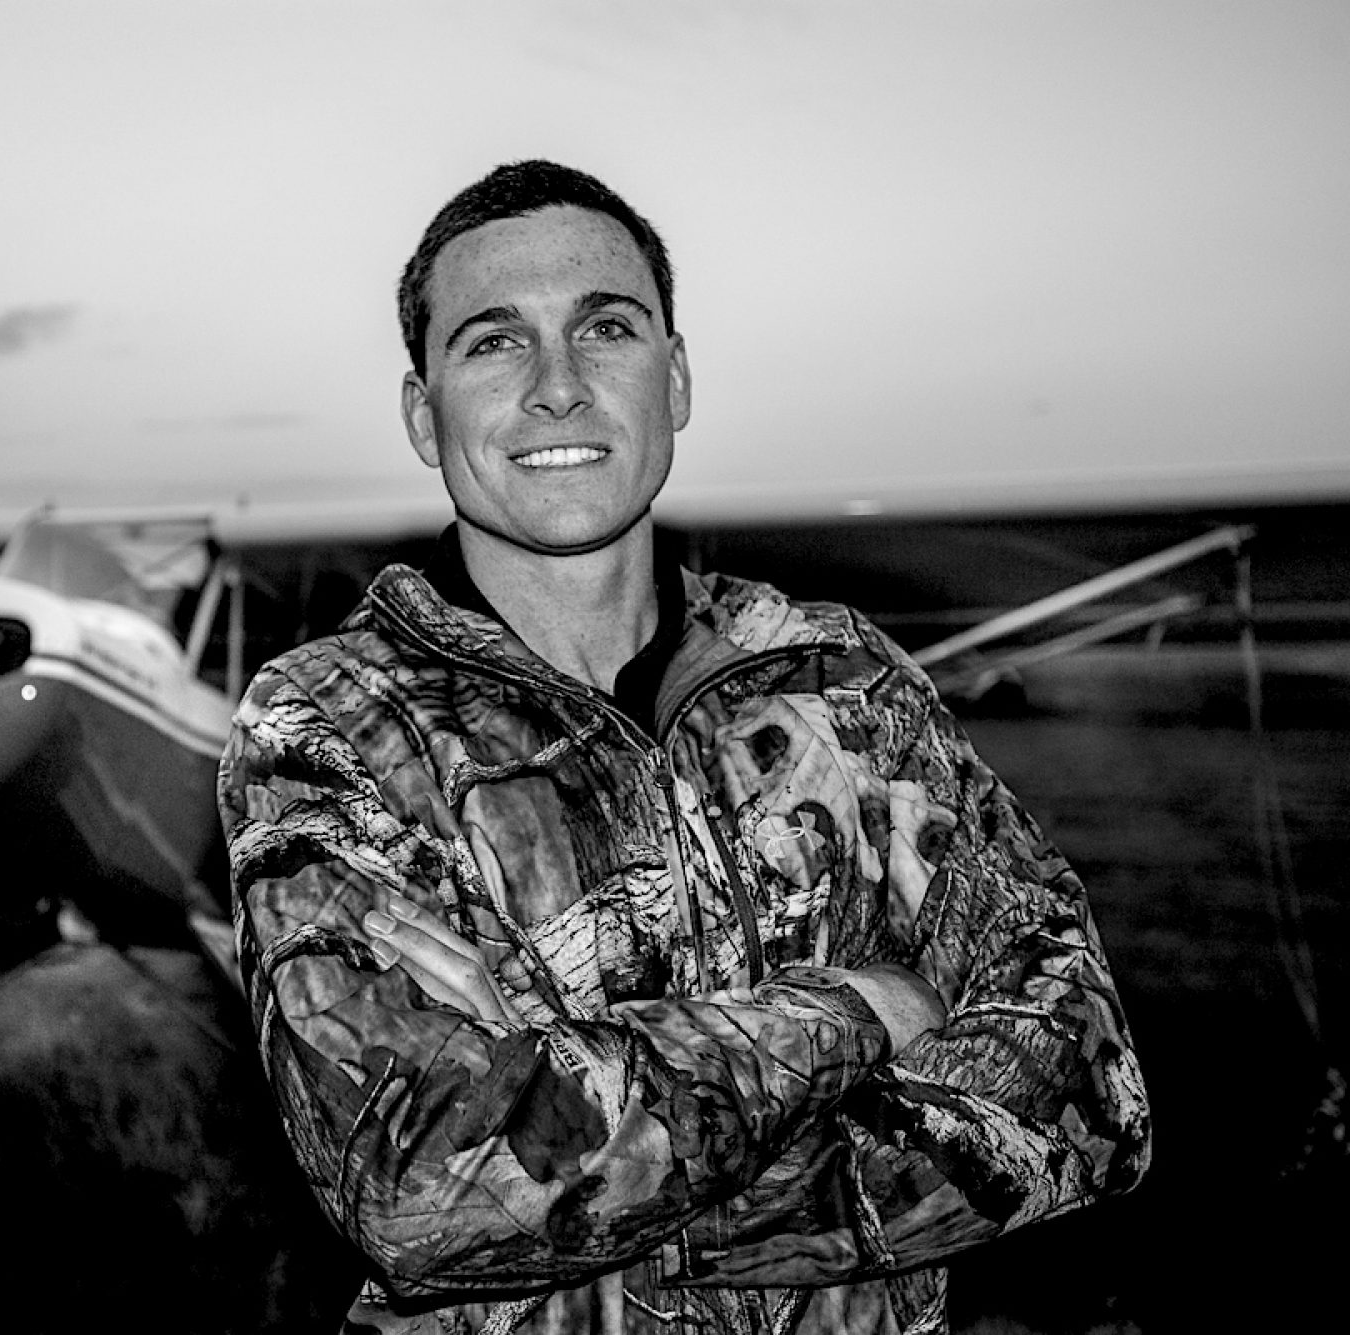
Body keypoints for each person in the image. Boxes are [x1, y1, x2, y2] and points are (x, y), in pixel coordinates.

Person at [217, 160, 1149, 1335]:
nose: (558, 387)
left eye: (605, 328)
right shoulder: (325, 724)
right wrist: (862, 1008)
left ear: (676, 375)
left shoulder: (841, 679)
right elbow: (421, 1194)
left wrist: (569, 1110)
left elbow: (1088, 1095)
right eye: (493, 343)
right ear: (422, 414)